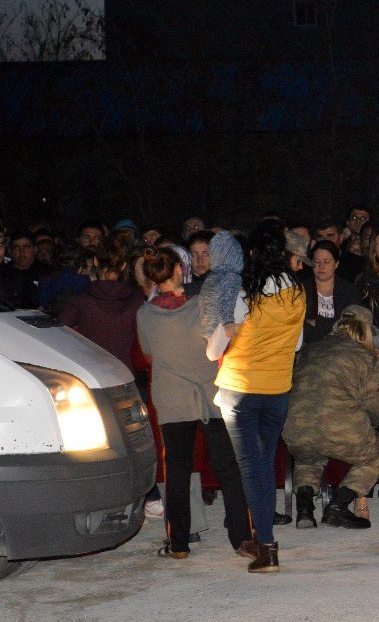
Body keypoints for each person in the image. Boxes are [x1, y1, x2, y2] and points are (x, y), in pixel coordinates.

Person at [136, 246, 252, 559]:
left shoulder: (145, 315)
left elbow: (148, 356)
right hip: (211, 394)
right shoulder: (202, 304)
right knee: (229, 467)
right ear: (178, 270)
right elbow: (218, 343)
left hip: (172, 398)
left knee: (176, 471)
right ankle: (243, 539)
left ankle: (178, 544)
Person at [212, 221, 306, 573]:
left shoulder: (244, 291)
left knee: (251, 470)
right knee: (264, 467)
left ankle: (266, 547)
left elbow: (220, 342)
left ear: (251, 253)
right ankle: (261, 537)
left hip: (240, 389)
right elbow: (296, 344)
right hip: (278, 389)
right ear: (282, 253)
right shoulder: (297, 292)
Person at [284, 306, 379, 530]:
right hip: (338, 426)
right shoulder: (366, 356)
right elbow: (376, 406)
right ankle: (339, 506)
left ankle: (305, 509)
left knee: (309, 460)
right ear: (367, 330)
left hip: (295, 428)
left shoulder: (310, 350)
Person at [59, 237, 144, 372]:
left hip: (90, 372)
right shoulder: (137, 299)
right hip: (125, 373)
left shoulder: (82, 298)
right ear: (123, 266)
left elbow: (59, 330)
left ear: (96, 261)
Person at [302, 240, 361, 343]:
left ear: (336, 264)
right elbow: (300, 324)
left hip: (342, 347)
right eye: (316, 261)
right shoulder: (302, 289)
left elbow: (351, 326)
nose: (321, 266)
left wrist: (317, 322)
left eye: (326, 261)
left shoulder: (349, 291)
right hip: (309, 347)